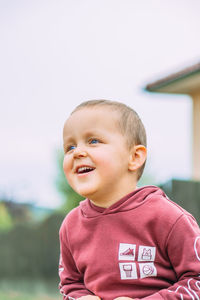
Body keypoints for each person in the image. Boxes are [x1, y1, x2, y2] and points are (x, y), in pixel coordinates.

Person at [58, 99, 200, 300]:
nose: (78, 152)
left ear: (135, 157)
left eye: (93, 141)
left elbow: (196, 281)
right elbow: (70, 284)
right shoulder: (71, 226)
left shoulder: (168, 218)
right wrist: (80, 298)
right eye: (69, 147)